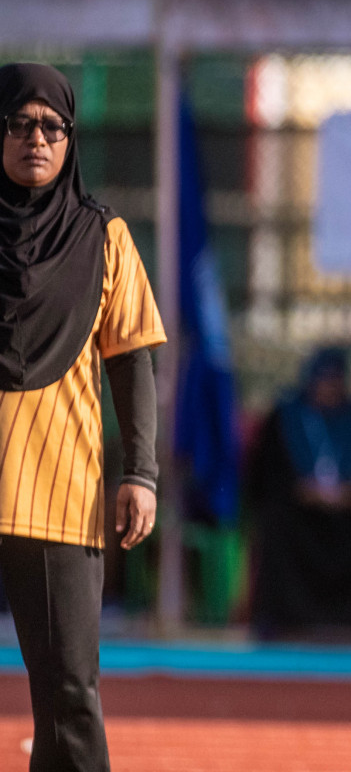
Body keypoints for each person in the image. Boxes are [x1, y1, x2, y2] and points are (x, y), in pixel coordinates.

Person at [0, 63, 164, 770]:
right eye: (18, 122)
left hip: (58, 494)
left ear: (70, 140)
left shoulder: (106, 238)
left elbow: (131, 362)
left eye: (52, 127)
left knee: (69, 691)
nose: (36, 139)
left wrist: (142, 474)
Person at [247, 347, 351, 635]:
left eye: (336, 381)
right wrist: (301, 491)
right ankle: (287, 616)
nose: (329, 389)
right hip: (300, 511)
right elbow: (262, 478)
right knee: (277, 524)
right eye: (324, 381)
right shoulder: (285, 416)